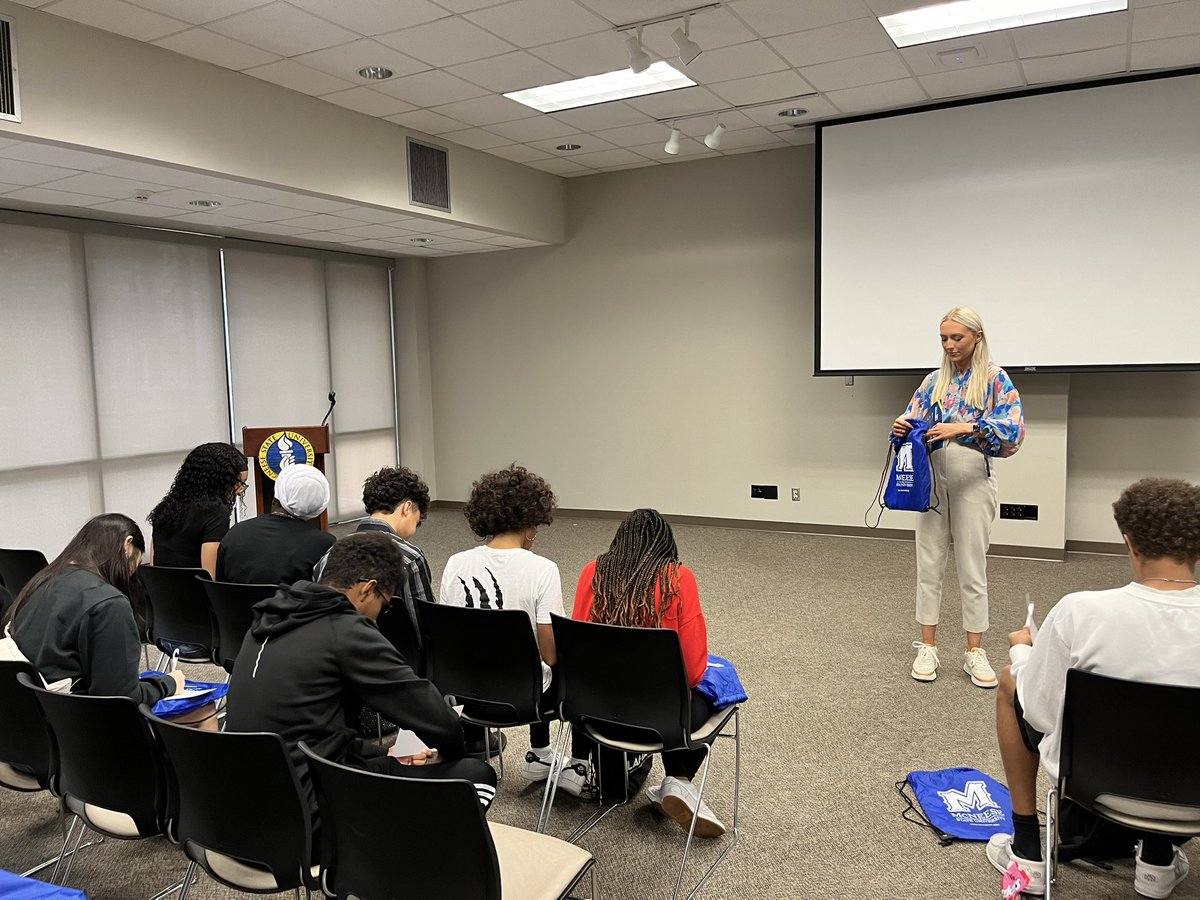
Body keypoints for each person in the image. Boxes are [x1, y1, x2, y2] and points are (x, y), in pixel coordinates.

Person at [987, 478, 1200, 897]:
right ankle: (1156, 860)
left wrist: (1022, 654)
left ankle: (1027, 848)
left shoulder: (1079, 612)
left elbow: (1040, 714)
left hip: (1096, 784)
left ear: (1130, 544)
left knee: (1013, 681)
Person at [225, 531, 496, 814]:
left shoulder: (268, 621)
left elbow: (308, 727)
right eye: (385, 605)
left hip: (244, 810)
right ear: (368, 589)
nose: (380, 616)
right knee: (475, 777)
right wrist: (450, 754)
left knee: (388, 764)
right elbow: (436, 719)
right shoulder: (346, 630)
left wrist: (381, 754)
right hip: (308, 818)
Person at [892, 306, 1024, 688]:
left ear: (977, 337)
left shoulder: (996, 380)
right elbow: (912, 421)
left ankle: (974, 651)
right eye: (944, 338)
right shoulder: (933, 381)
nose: (949, 345)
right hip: (931, 476)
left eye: (957, 338)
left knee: (972, 566)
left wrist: (963, 428)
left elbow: (1012, 432)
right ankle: (928, 646)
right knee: (928, 563)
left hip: (973, 475)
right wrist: (902, 426)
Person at [572, 508, 724, 838]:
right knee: (716, 692)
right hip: (660, 721)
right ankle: (678, 781)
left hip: (595, 713)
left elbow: (576, 647)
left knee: (666, 691)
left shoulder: (592, 573)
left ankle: (673, 785)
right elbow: (695, 670)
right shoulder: (678, 580)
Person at [6, 514, 216, 729]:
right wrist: (168, 684)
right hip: (76, 730)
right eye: (133, 567)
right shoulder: (107, 602)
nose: (129, 577)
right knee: (205, 710)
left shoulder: (42, 581)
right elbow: (120, 698)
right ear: (128, 545)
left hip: (28, 721)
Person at [439, 463, 560, 774]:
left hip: (466, 695)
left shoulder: (455, 563)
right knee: (559, 663)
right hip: (525, 700)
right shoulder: (543, 570)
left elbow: (448, 640)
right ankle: (541, 753)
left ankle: (477, 743)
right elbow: (550, 654)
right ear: (531, 521)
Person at [313, 465, 431, 668]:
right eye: (417, 521)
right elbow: (424, 628)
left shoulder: (330, 554)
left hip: (332, 660)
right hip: (396, 665)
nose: (413, 531)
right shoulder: (410, 558)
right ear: (407, 507)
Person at [216, 464, 334, 585]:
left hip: (236, 604)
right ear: (319, 508)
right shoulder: (325, 544)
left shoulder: (236, 532)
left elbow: (219, 584)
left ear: (275, 498)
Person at [148, 442, 248, 578]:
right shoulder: (216, 512)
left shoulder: (166, 507)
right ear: (219, 479)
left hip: (162, 596)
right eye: (238, 484)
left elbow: (154, 566)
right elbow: (210, 577)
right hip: (196, 596)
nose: (239, 491)